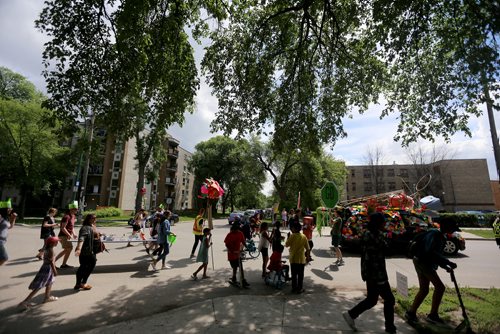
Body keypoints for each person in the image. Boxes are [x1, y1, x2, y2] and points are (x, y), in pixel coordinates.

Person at [342, 212, 396, 334]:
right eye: (383, 222)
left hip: (370, 272)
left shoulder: (368, 233)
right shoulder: (375, 235)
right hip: (377, 273)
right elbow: (386, 249)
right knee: (389, 300)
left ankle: (351, 314)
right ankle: (390, 328)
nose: (384, 224)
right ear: (378, 223)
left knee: (372, 300)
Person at [405, 216, 458, 325]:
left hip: (421, 261)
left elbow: (435, 255)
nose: (453, 231)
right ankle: (433, 315)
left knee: (424, 290)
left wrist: (445, 266)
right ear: (447, 227)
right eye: (452, 228)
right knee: (440, 287)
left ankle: (411, 313)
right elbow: (431, 253)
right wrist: (447, 262)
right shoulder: (435, 235)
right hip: (424, 263)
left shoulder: (438, 235)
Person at [19, 236, 59, 309]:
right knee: (39, 285)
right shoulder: (51, 250)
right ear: (51, 243)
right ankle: (25, 301)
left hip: (45, 267)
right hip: (47, 269)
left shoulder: (46, 248)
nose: (57, 243)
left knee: (50, 282)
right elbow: (51, 262)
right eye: (56, 242)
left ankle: (47, 297)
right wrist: (55, 271)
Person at [74, 214, 98, 290]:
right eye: (92, 218)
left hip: (90, 251)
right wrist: (79, 248)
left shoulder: (91, 226)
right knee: (84, 267)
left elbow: (93, 235)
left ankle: (80, 283)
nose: (94, 219)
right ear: (88, 219)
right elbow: (81, 238)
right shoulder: (85, 228)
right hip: (86, 252)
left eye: (95, 218)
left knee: (86, 267)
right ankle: (81, 283)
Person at [285, 221, 311, 293]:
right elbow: (308, 248)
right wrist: (308, 257)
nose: (291, 229)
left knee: (294, 275)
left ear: (294, 228)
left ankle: (294, 288)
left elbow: (287, 244)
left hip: (293, 259)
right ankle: (300, 288)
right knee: (300, 275)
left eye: (292, 227)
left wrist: (288, 237)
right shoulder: (303, 236)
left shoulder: (292, 236)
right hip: (301, 259)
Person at [56, 202, 78, 268]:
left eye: (77, 209)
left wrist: (74, 234)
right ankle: (53, 262)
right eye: (75, 209)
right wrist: (69, 234)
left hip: (67, 236)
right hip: (63, 236)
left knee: (69, 248)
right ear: (71, 209)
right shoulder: (66, 216)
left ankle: (64, 264)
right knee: (68, 248)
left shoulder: (73, 216)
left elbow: (72, 226)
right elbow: (63, 228)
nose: (77, 210)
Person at [0, 199, 17, 266]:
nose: (11, 209)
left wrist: (13, 218)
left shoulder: (6, 218)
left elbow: (10, 226)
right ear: (4, 209)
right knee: (4, 257)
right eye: (9, 208)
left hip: (2, 241)